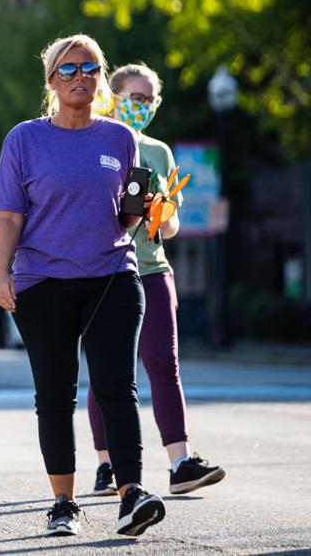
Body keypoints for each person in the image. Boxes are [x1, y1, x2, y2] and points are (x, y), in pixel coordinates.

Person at [0, 34, 166, 537]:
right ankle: (63, 504)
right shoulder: (24, 139)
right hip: (43, 282)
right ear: (51, 80)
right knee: (55, 394)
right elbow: (8, 217)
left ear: (99, 78)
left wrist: (149, 209)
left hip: (111, 276)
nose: (80, 78)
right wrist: (1, 274)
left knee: (118, 387)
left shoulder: (119, 139)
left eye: (89, 69)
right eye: (68, 70)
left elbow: (129, 214)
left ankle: (132, 494)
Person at [85, 63, 226, 496]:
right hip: (103, 272)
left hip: (152, 270)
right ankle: (107, 464)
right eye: (135, 97)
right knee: (108, 372)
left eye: (150, 100)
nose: (142, 106)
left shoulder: (159, 152)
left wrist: (163, 216)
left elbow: (172, 227)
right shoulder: (93, 140)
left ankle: (180, 463)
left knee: (165, 365)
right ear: (114, 96)